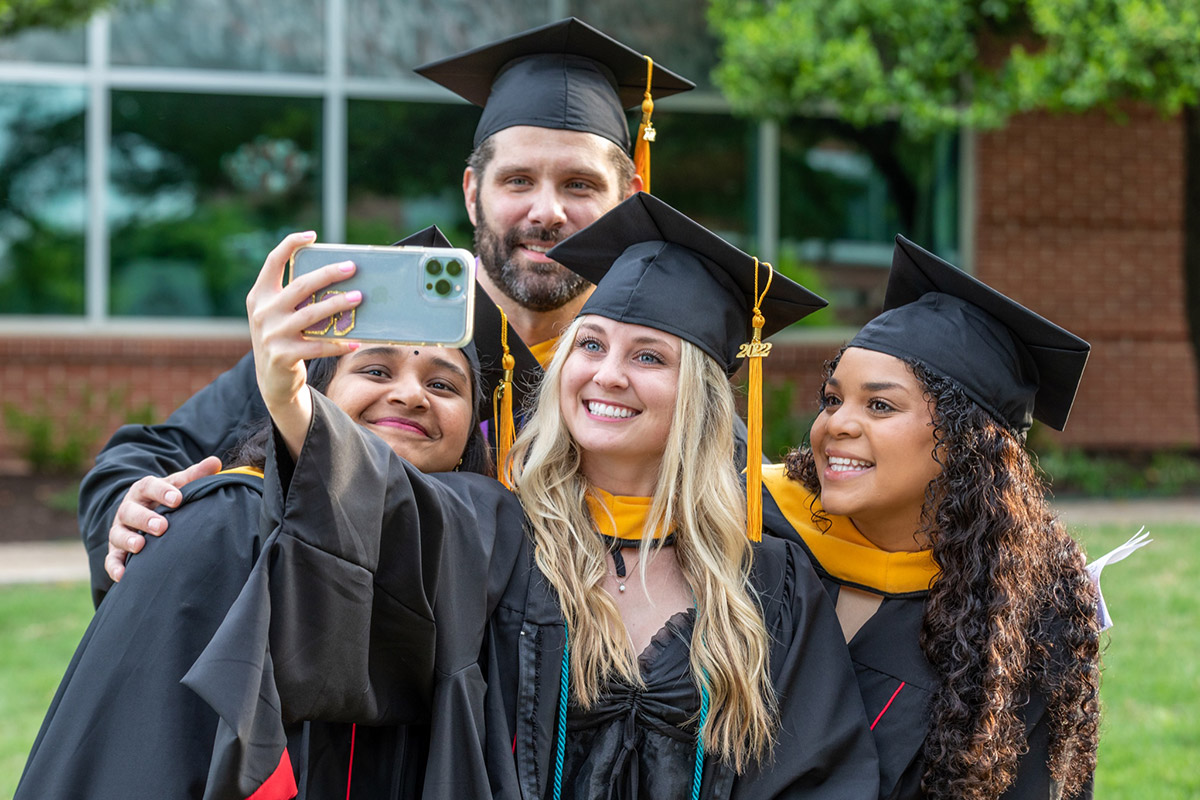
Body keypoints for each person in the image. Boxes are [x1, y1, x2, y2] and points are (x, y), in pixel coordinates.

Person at [194, 192, 880, 797]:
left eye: (647, 356)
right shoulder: (494, 529)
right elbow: (382, 515)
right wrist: (291, 401)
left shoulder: (769, 582)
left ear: (700, 398)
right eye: (590, 345)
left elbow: (820, 775)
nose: (607, 375)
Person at [79, 17, 694, 599]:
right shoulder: (364, 317)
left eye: (579, 185)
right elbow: (149, 455)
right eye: (518, 181)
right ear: (473, 193)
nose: (546, 212)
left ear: (629, 199)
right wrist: (128, 509)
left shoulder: (651, 364)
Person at [13, 228, 514, 799]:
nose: (410, 395)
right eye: (375, 371)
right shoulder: (229, 522)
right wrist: (133, 513)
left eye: (444, 384)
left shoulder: (487, 530)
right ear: (307, 392)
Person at [759, 235, 1100, 799]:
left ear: (967, 444)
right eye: (831, 399)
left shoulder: (1015, 622)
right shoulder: (762, 537)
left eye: (880, 405)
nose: (837, 424)